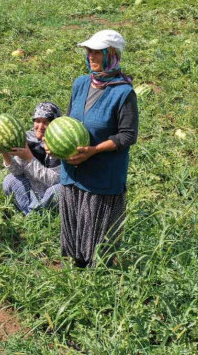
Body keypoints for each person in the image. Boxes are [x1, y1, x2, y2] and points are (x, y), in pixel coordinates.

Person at [54, 30, 138, 268]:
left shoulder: (123, 92)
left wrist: (94, 150)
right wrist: (54, 144)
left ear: (111, 54)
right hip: (72, 173)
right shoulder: (80, 84)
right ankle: (76, 275)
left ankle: (100, 281)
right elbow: (68, 120)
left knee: (98, 244)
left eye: (96, 51)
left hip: (102, 177)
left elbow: (128, 135)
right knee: (75, 237)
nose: (90, 56)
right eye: (88, 51)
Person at [0, 102, 63, 214]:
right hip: (32, 192)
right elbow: (18, 172)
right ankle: (33, 214)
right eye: (37, 121)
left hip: (50, 194)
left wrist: (29, 158)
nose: (40, 126)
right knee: (10, 180)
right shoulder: (27, 139)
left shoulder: (60, 144)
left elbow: (53, 180)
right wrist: (4, 153)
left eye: (46, 122)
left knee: (60, 190)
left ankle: (37, 215)